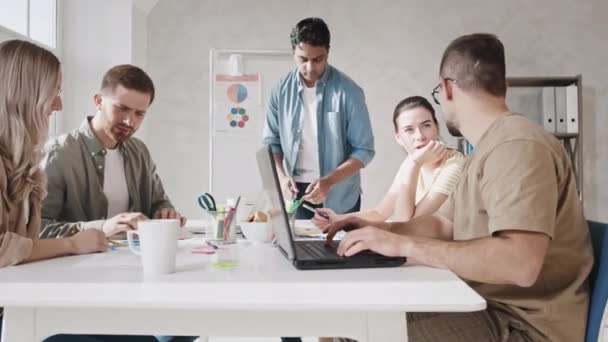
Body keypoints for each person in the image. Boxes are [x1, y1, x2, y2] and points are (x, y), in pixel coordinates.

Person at [324, 33, 592, 342]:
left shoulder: (517, 145)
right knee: (355, 320)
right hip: (485, 305)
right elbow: (443, 223)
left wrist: (403, 246)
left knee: (357, 332)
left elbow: (520, 263)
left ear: (448, 87)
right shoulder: (483, 152)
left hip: (522, 326)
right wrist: (384, 231)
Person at [0, 39, 108, 339]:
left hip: (17, 306)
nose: (58, 104)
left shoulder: (22, 162)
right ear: (23, 94)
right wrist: (72, 244)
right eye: (54, 91)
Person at [40, 64, 185, 239]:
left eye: (139, 114)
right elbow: (38, 228)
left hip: (135, 258)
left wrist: (165, 212)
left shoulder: (139, 151)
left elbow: (159, 203)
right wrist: (102, 228)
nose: (129, 121)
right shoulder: (59, 153)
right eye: (122, 108)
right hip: (78, 263)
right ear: (99, 101)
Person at [262, 17, 375, 221]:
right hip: (296, 192)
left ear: (328, 52)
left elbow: (364, 150)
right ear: (293, 53)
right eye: (303, 59)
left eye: (318, 59)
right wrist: (281, 177)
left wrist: (329, 181)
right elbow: (272, 143)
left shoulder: (349, 91)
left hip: (340, 194)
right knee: (299, 251)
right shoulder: (280, 90)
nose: (310, 68)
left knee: (338, 251)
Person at [313, 96, 464, 231]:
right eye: (409, 130)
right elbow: (380, 213)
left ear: (437, 128)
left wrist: (414, 164)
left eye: (426, 125)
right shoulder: (412, 161)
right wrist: (338, 219)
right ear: (398, 138)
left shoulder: (454, 165)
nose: (419, 136)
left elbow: (407, 224)